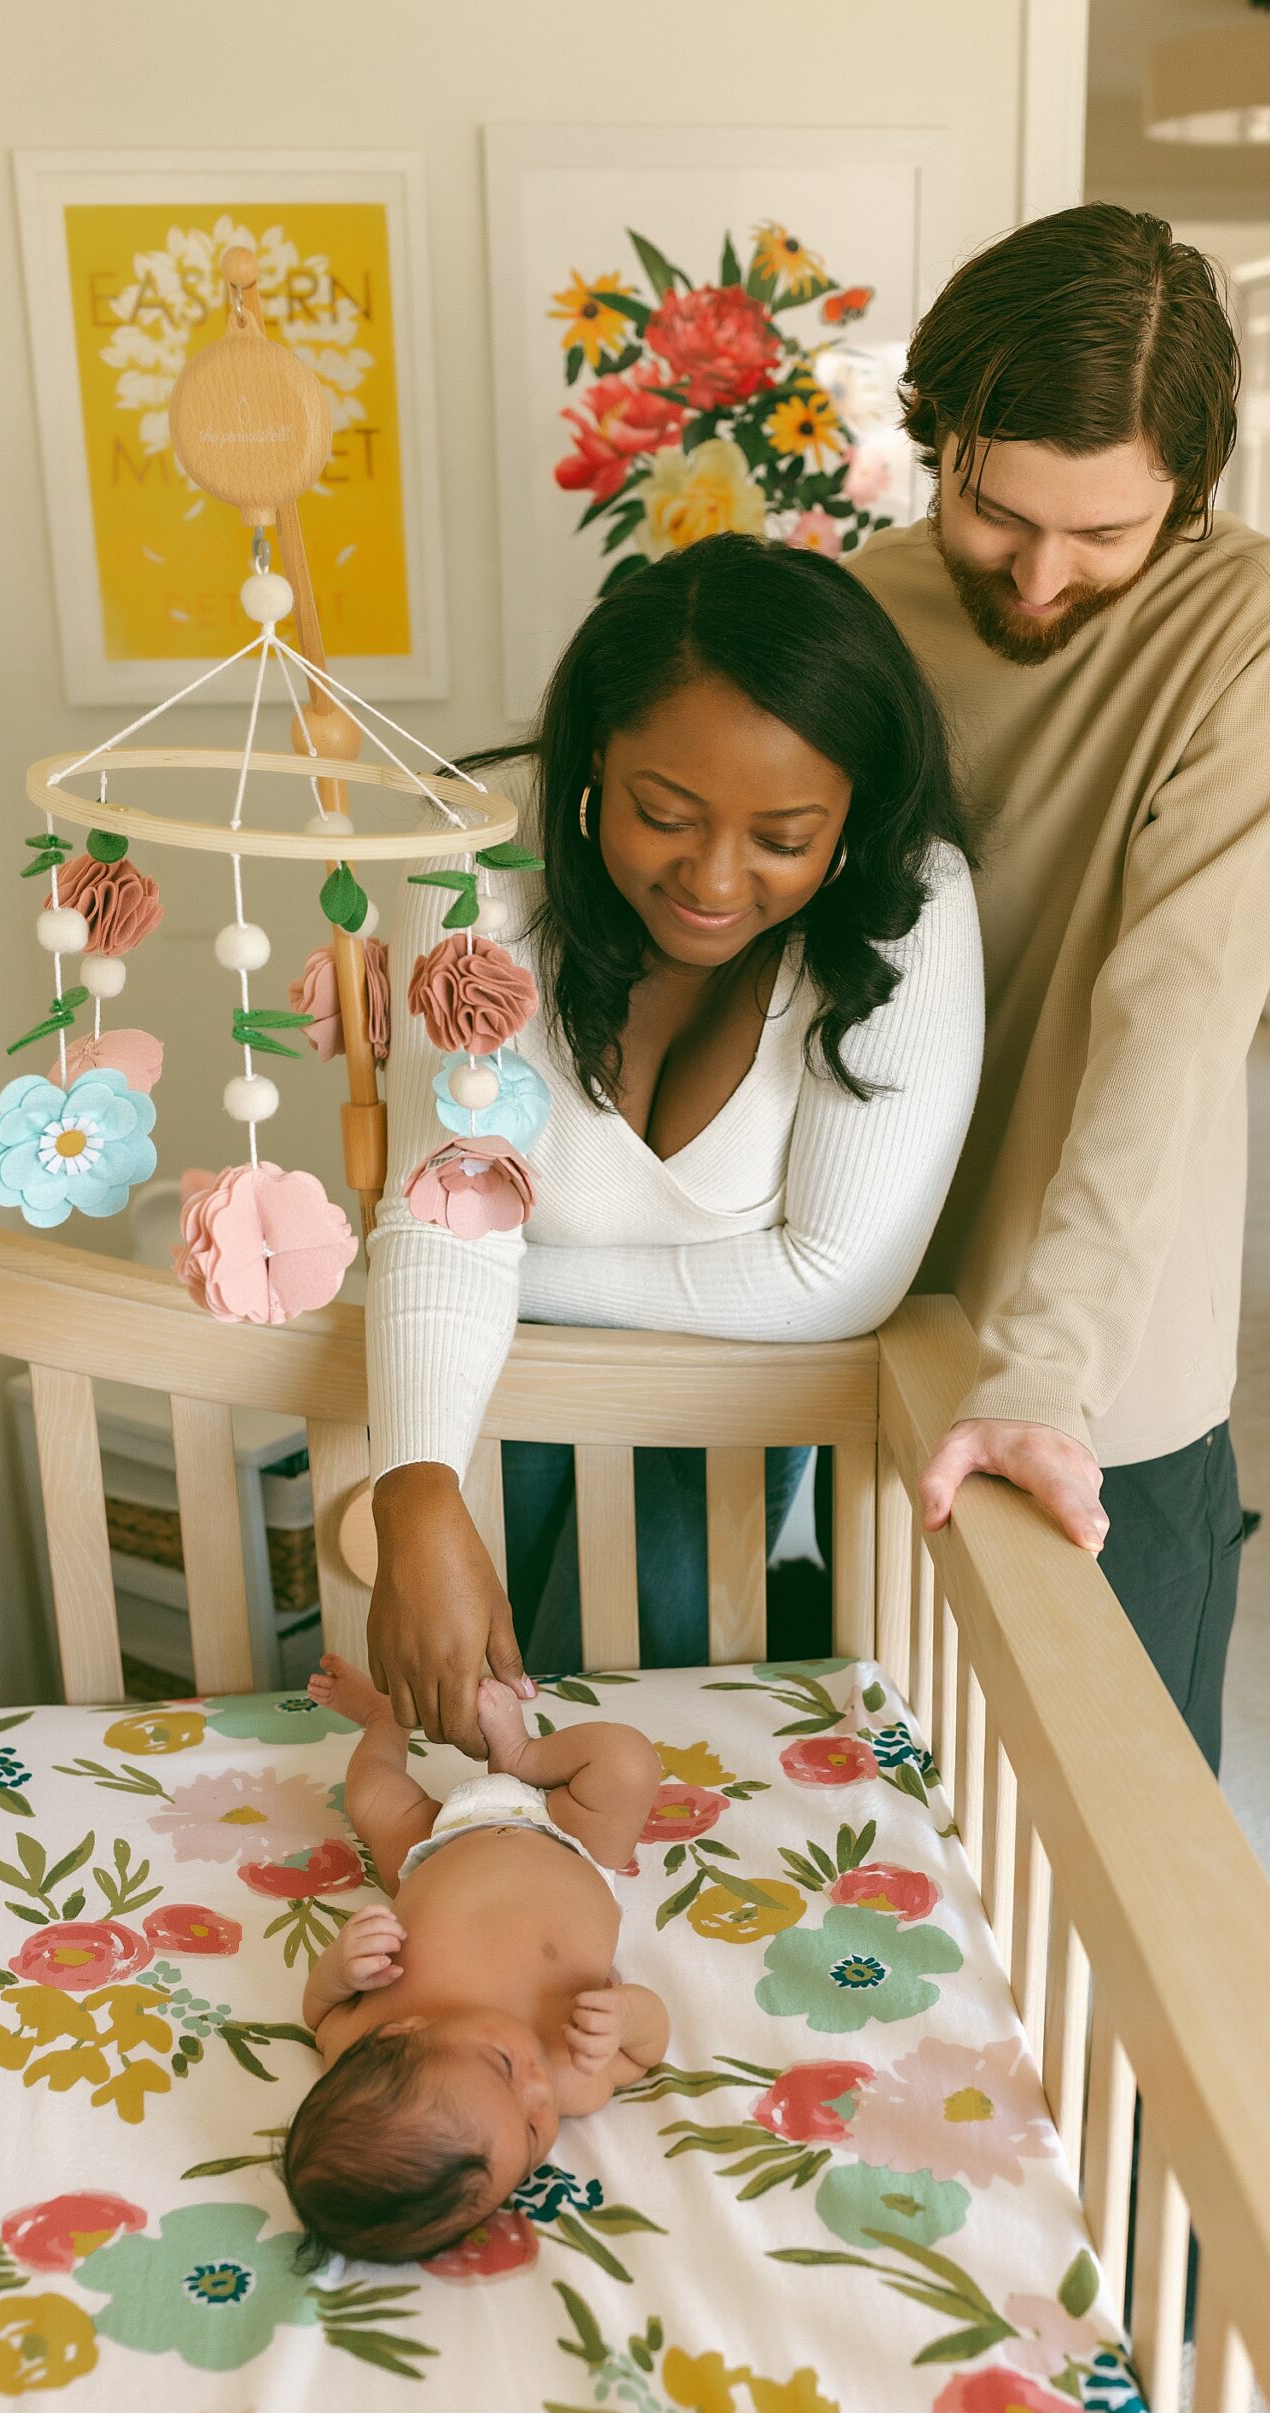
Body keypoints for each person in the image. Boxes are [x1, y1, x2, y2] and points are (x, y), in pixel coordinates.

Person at [852, 203, 1270, 1772]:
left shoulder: (1250, 619)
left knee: (1122, 1825)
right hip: (853, 1299)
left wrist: (1047, 1370)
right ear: (936, 441)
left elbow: (1176, 1009)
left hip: (1100, 1353)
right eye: (996, 512)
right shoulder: (861, 612)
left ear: (1186, 497)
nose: (1043, 575)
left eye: (1106, 534)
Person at [367, 533, 984, 1745]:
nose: (713, 878)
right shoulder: (472, 861)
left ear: (853, 808)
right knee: (448, 1747)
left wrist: (499, 1277)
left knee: (671, 1739)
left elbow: (833, 1281)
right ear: (594, 756)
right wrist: (418, 1484)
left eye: (785, 838)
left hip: (720, 1437)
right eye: (664, 814)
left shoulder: (916, 904)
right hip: (474, 1389)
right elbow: (452, 1203)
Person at [282, 1654, 667, 2263]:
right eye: (537, 2132)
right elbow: (646, 2052)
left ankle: (409, 1727)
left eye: (502, 2068)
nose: (537, 2090)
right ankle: (516, 1760)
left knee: (373, 1795)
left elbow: (317, 2014)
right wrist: (626, 2017)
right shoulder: (573, 2072)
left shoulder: (363, 2037)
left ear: (405, 2032)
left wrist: (339, 1969)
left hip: (431, 1846)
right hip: (572, 1840)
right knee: (627, 1761)